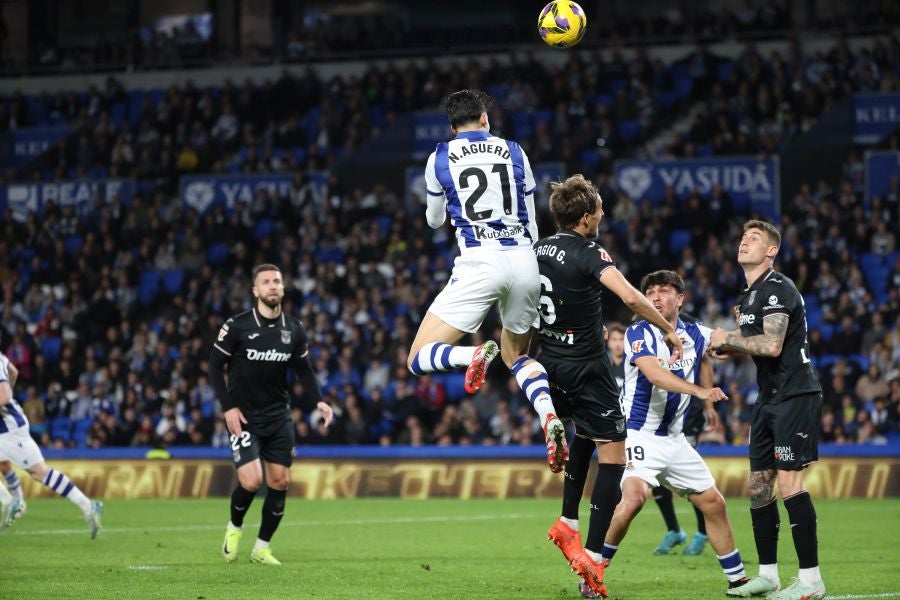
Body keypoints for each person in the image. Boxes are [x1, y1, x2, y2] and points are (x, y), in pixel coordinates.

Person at [533, 175, 684, 598]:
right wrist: (667, 328)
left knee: (584, 433)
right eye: (599, 209)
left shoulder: (536, 249)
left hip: (550, 363)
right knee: (613, 457)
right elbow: (631, 298)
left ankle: (569, 518)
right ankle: (594, 561)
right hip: (588, 368)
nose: (603, 214)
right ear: (585, 218)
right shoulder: (589, 251)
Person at [406, 89, 567, 472]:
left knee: (417, 359)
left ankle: (472, 355)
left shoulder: (440, 157)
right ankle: (548, 414)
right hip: (525, 260)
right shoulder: (515, 151)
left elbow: (434, 221)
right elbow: (531, 215)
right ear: (485, 118)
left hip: (480, 261)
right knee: (518, 356)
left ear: (452, 127)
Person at [596, 270, 749, 598]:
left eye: (664, 291)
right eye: (649, 291)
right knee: (634, 499)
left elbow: (729, 343)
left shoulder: (694, 332)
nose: (655, 296)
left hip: (675, 440)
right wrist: (701, 392)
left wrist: (745, 329)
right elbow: (654, 374)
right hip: (639, 434)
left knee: (714, 503)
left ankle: (738, 581)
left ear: (680, 298)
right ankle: (592, 570)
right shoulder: (639, 331)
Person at [710, 221, 826, 600]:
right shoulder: (749, 296)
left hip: (795, 395)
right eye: (743, 237)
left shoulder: (778, 288)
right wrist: (733, 347)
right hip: (768, 397)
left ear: (772, 251)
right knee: (759, 487)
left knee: (790, 484)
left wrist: (727, 337)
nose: (744, 241)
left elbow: (773, 345)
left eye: (755, 238)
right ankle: (768, 576)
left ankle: (811, 581)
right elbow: (757, 344)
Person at [209, 263, 334, 566]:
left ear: (283, 288)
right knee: (252, 481)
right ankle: (234, 527)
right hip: (244, 417)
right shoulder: (237, 326)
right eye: (266, 282)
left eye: (277, 281)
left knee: (280, 482)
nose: (272, 286)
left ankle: (261, 548)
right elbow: (214, 366)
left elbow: (304, 370)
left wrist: (319, 401)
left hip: (278, 416)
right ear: (256, 291)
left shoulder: (294, 329)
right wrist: (228, 407)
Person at [0, 348, 102, 535]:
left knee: (41, 474)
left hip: (9, 429)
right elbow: (13, 372)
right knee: (39, 473)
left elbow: (5, 396)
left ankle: (11, 501)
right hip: (8, 426)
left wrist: (7, 397)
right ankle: (88, 506)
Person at [650, 312, 710, 557]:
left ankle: (703, 532)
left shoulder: (688, 325)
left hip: (688, 413)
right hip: (658, 417)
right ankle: (674, 530)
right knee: (655, 474)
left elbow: (704, 363)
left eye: (662, 293)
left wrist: (708, 405)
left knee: (689, 475)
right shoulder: (641, 328)